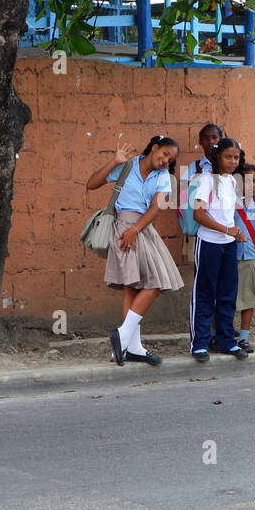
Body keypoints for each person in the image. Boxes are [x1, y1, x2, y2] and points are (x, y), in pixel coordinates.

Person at [85, 136, 183, 366]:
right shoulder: (127, 166)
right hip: (122, 228)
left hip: (142, 229)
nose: (165, 161)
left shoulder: (163, 177)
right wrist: (114, 161)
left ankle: (127, 341)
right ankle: (129, 342)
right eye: (165, 154)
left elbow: (156, 207)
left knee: (151, 283)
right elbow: (91, 184)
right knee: (135, 284)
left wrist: (136, 230)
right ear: (155, 147)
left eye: (170, 160)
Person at [189, 138, 248, 362]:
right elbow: (199, 215)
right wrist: (226, 229)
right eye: (228, 157)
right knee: (204, 293)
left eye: (236, 157)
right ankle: (199, 344)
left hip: (228, 245)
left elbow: (226, 214)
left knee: (227, 294)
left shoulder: (231, 181)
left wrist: (236, 232)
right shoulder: (207, 180)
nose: (233, 161)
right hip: (208, 244)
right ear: (218, 157)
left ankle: (227, 342)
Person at [228, 149, 255, 353]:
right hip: (231, 255)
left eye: (254, 181)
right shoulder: (230, 202)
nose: (250, 184)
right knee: (227, 297)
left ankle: (244, 338)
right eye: (246, 180)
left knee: (249, 299)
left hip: (251, 256)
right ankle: (224, 335)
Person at [179, 123, 222, 263]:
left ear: (220, 140)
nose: (210, 141)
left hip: (224, 224)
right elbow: (183, 193)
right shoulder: (195, 167)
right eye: (206, 138)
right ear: (200, 142)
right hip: (200, 225)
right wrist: (196, 180)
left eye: (214, 137)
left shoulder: (228, 165)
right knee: (201, 265)